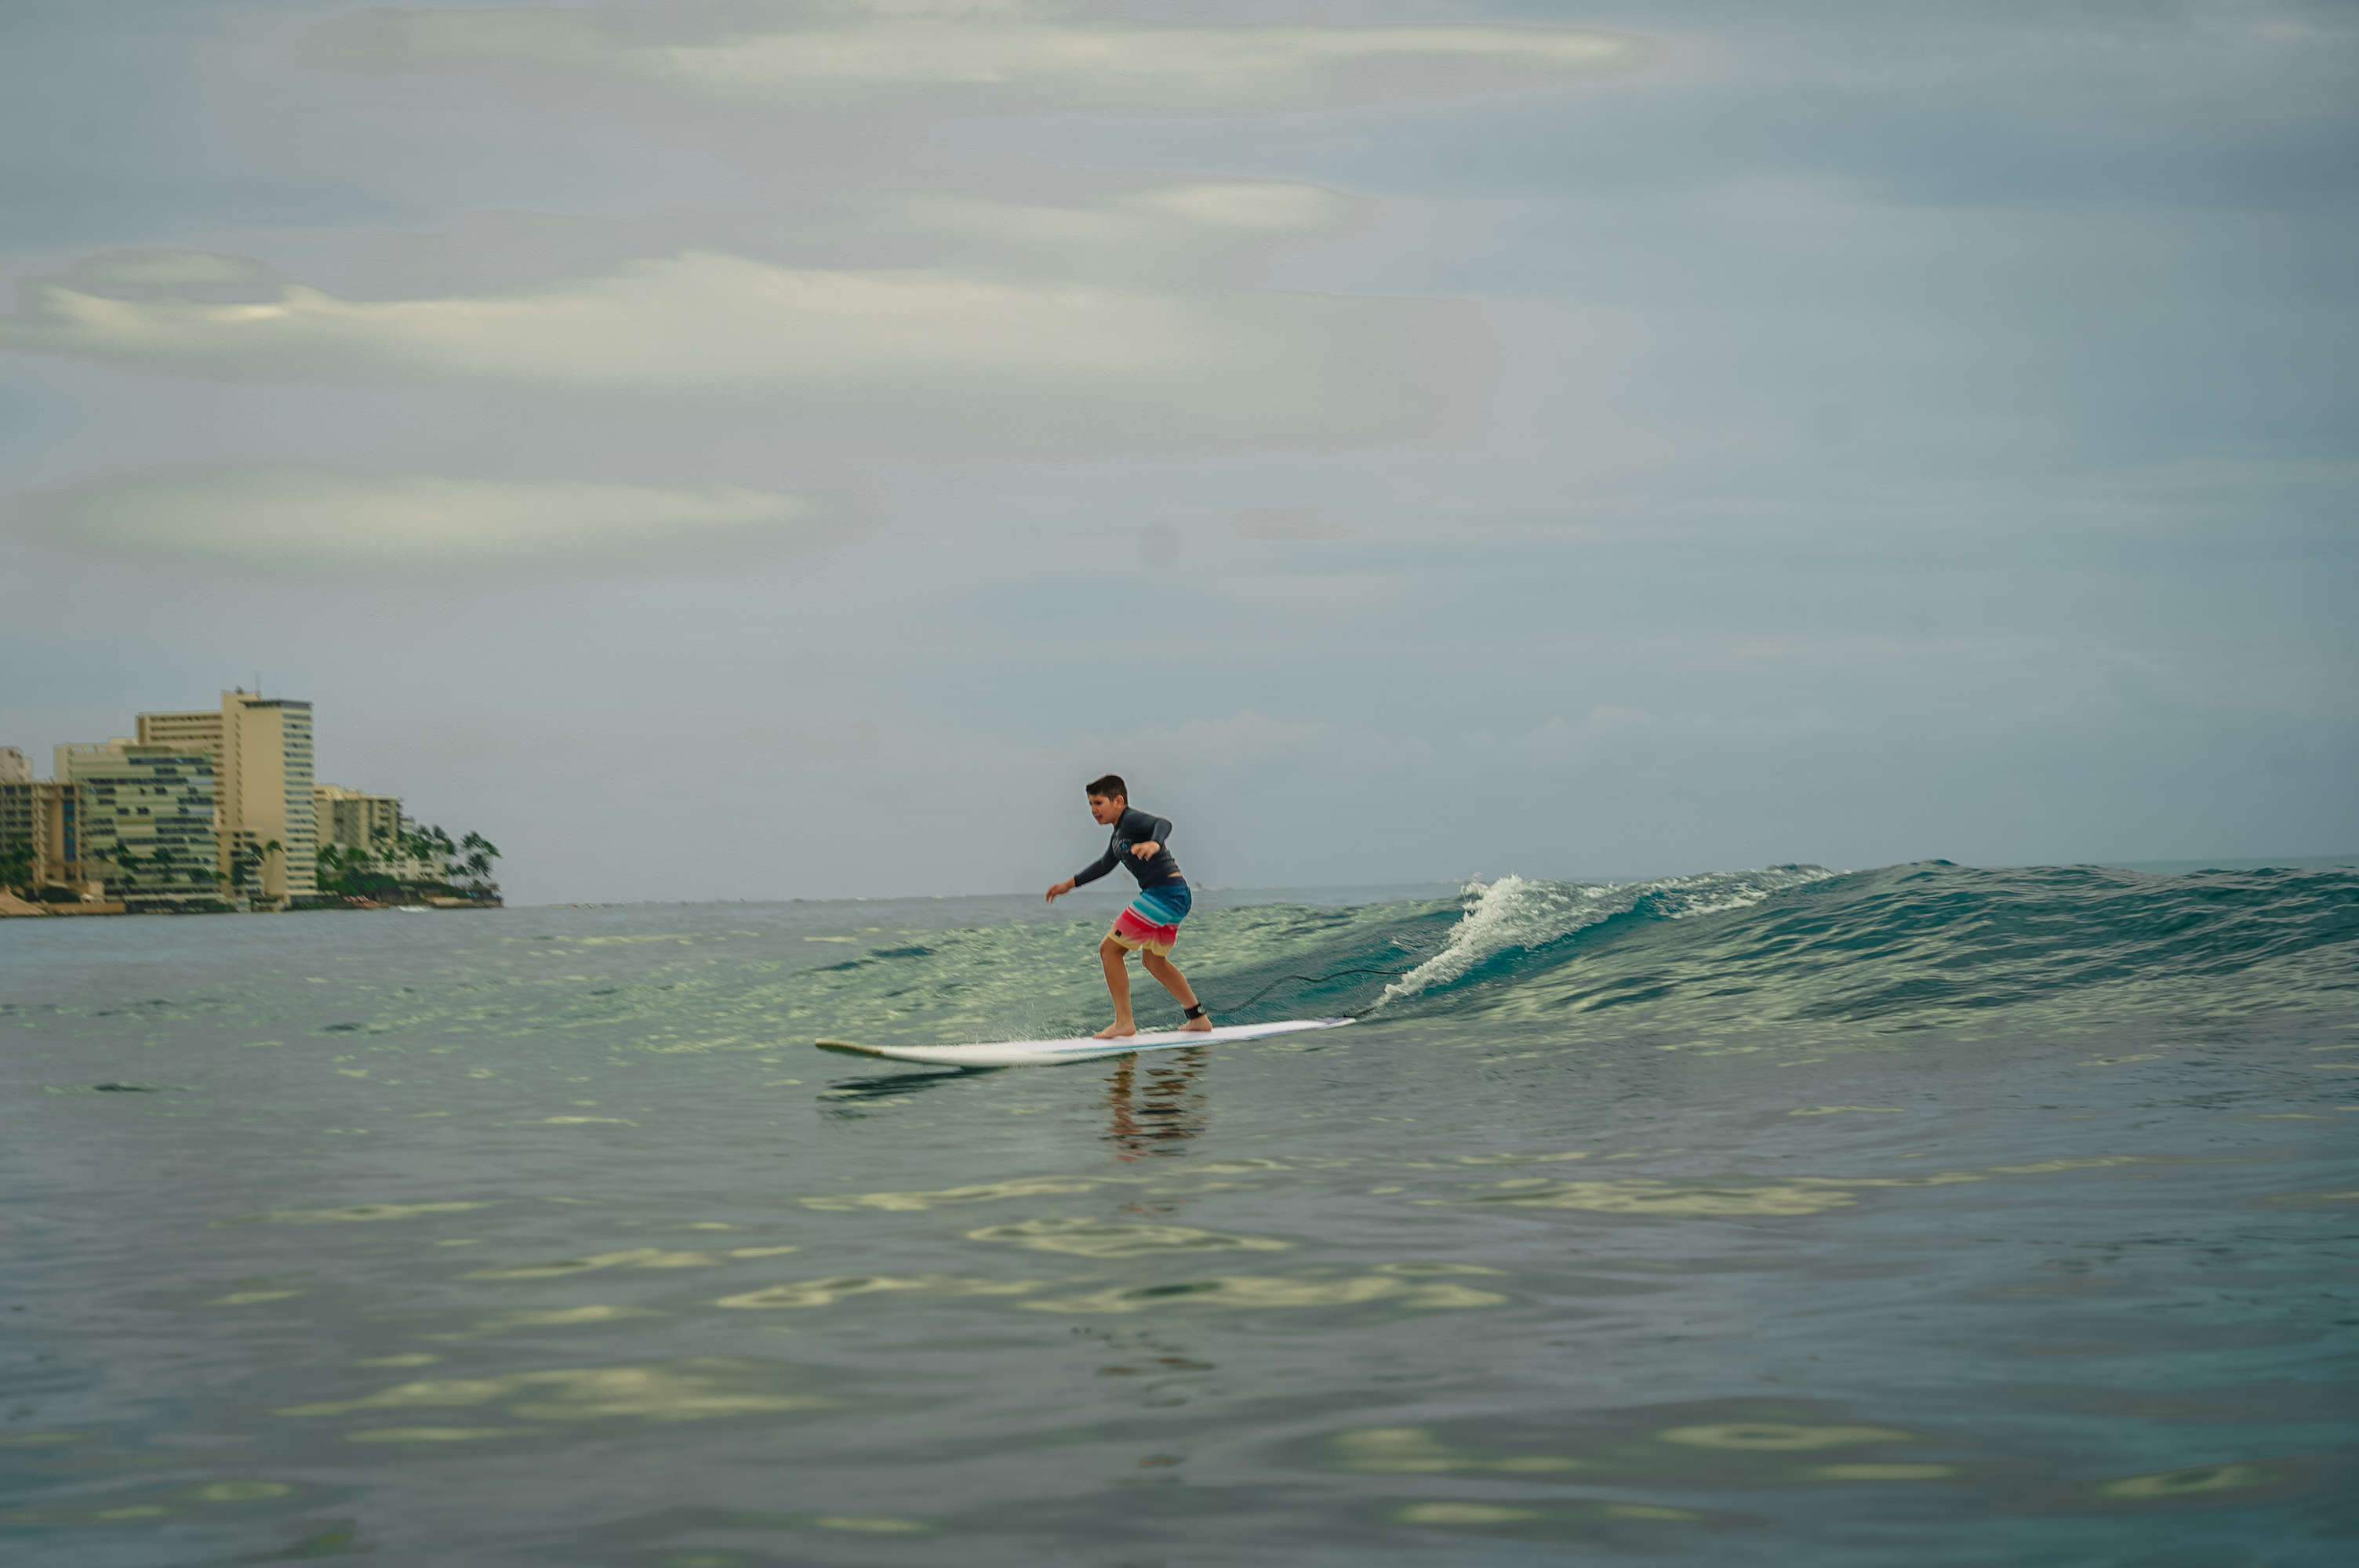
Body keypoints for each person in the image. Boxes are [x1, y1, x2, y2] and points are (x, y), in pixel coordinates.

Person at [1044, 775, 1212, 1039]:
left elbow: (1162, 823)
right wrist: (1068, 884)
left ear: (1118, 801)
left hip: (1164, 893)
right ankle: (1198, 1017)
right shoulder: (1119, 836)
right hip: (1175, 896)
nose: (1094, 810)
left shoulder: (1131, 820)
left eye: (1098, 802)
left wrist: (1155, 843)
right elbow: (1104, 865)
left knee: (1109, 951)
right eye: (1090, 804)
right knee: (1153, 961)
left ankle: (1124, 1022)